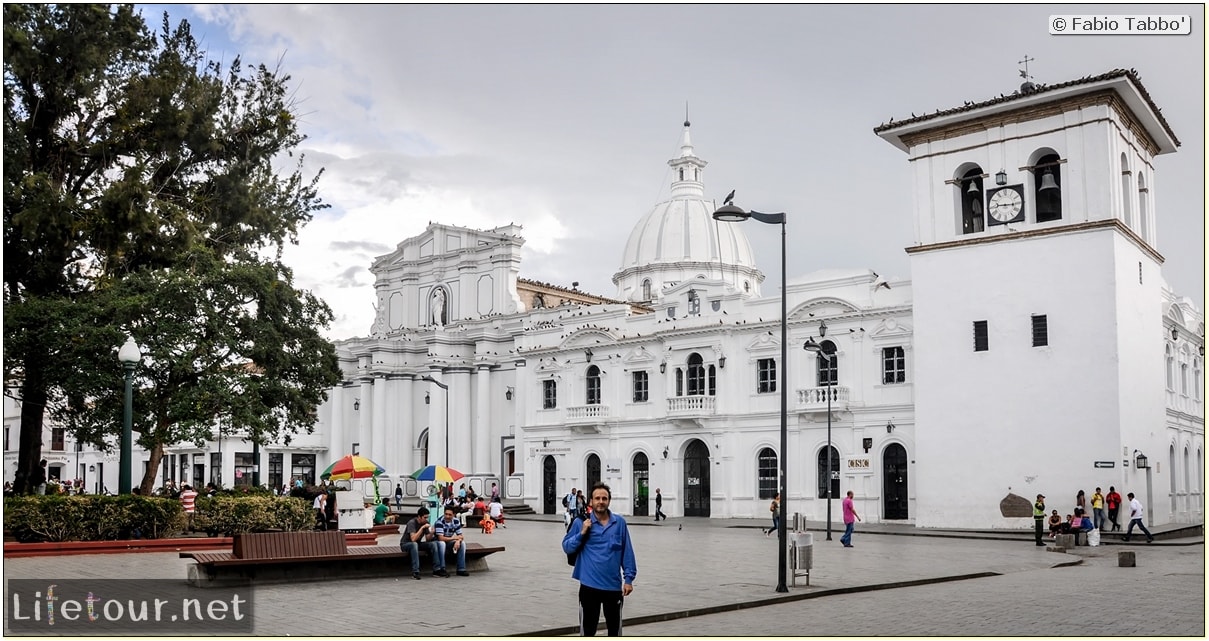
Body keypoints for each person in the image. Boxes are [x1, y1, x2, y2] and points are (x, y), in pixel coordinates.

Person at [561, 483, 637, 637]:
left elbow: (626, 552)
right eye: (597, 498)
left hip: (613, 587)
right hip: (589, 587)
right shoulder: (580, 522)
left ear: (609, 501)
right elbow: (567, 547)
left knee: (615, 631)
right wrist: (582, 533)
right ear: (590, 501)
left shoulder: (619, 523)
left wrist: (628, 579)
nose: (601, 501)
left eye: (604, 498)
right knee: (588, 631)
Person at [401, 507, 440, 579]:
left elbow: (428, 539)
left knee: (433, 544)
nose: (426, 519)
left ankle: (437, 570)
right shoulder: (411, 523)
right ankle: (415, 571)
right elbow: (413, 539)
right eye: (425, 517)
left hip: (417, 544)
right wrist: (422, 528)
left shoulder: (425, 523)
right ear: (419, 517)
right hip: (406, 544)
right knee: (414, 544)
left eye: (427, 517)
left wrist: (432, 532)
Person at [434, 507, 470, 576]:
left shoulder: (456, 521)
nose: (447, 516)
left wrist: (458, 541)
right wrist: (454, 538)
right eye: (446, 514)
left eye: (450, 515)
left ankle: (461, 569)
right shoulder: (439, 522)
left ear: (454, 515)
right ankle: (442, 568)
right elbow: (440, 538)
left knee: (462, 544)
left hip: (449, 541)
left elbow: (461, 536)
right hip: (437, 542)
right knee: (442, 544)